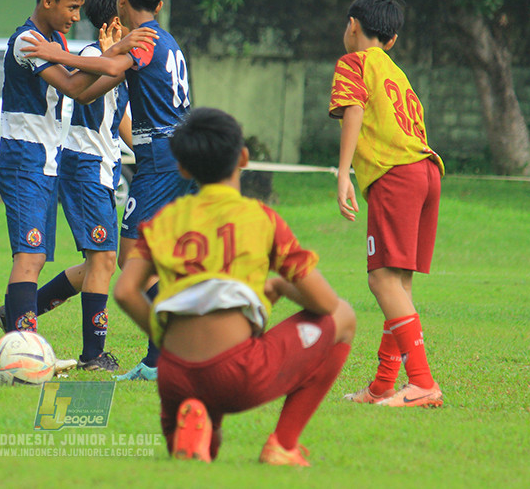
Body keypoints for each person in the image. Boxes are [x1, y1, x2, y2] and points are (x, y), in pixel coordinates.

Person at [113, 107, 356, 465]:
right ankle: (283, 444)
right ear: (243, 158)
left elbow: (124, 291)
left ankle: (198, 421)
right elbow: (325, 303)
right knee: (345, 316)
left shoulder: (165, 220)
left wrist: (163, 336)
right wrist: (280, 287)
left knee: (207, 443)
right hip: (236, 373)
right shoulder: (261, 219)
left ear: (183, 168)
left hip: (175, 375)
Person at [18, 0, 196, 381]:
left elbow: (113, 68)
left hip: (161, 161)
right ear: (161, 2)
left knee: (132, 259)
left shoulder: (144, 39)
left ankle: (171, 347)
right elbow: (88, 92)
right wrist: (99, 56)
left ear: (121, 0)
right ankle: (159, 358)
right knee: (143, 258)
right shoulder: (161, 39)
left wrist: (55, 53)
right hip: (175, 155)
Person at [0, 0, 155, 338]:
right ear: (47, 1)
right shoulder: (29, 41)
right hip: (24, 158)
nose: (75, 16)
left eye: (80, 7)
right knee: (31, 256)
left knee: (41, 257)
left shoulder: (57, 44)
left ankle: (19, 330)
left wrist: (112, 57)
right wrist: (115, 53)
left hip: (46, 161)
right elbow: (72, 87)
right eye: (71, 7)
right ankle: (23, 346)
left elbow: (81, 91)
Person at [330, 0, 445, 407]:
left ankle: (423, 382)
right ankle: (383, 383)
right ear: (392, 39)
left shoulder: (354, 62)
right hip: (427, 170)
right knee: (398, 283)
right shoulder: (396, 72)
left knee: (380, 279)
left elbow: (354, 110)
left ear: (352, 25)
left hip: (396, 175)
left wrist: (344, 172)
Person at [9, 0, 131, 372]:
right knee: (102, 259)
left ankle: (17, 311)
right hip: (83, 165)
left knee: (97, 264)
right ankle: (92, 355)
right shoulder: (95, 56)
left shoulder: (107, 56)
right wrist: (117, 57)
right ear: (117, 19)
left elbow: (118, 119)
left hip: (98, 166)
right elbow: (81, 92)